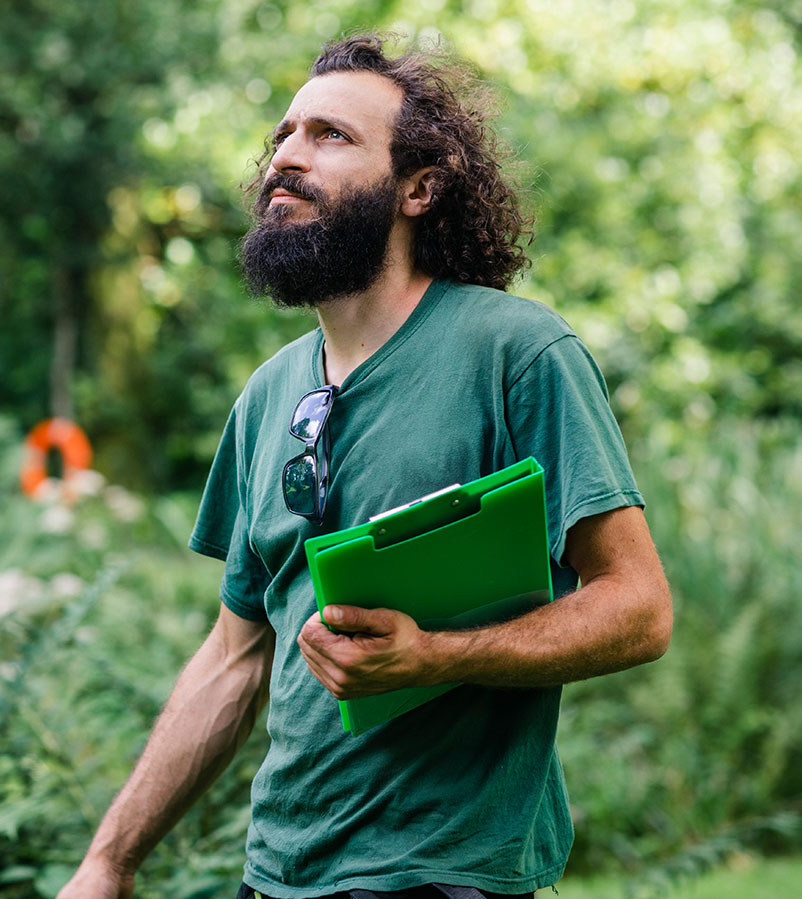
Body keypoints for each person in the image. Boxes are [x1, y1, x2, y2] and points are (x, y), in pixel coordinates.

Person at [57, 32, 672, 899]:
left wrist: (438, 654)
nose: (287, 157)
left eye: (331, 136)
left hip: (443, 875)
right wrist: (108, 860)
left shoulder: (515, 352)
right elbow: (237, 656)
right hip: (277, 876)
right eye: (285, 134)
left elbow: (639, 607)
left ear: (418, 188)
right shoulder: (267, 396)